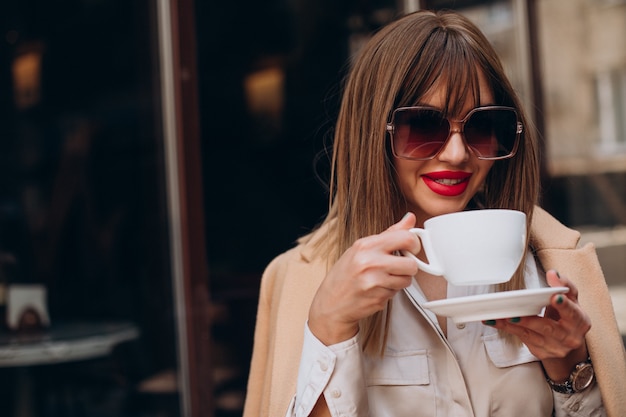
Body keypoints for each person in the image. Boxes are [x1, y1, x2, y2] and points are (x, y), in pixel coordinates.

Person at [242, 9, 626, 417]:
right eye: (424, 126)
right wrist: (328, 326)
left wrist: (570, 367)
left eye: (481, 126)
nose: (457, 154)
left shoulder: (552, 267)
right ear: (375, 134)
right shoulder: (301, 280)